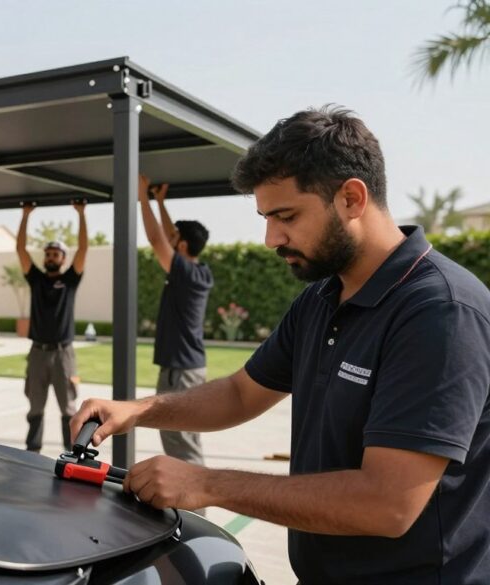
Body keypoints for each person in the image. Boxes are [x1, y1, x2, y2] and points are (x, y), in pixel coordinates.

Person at [71, 106, 490, 584]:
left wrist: (207, 483)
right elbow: (240, 393)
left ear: (351, 198)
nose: (271, 238)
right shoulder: (320, 299)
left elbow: (387, 503)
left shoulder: (441, 312)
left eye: (286, 216)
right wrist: (138, 409)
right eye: (265, 217)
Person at [137, 174, 214, 472]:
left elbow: (158, 238)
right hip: (183, 368)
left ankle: (195, 511)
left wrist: (142, 196)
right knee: (179, 438)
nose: (169, 240)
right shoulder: (198, 271)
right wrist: (159, 201)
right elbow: (169, 234)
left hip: (181, 372)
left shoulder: (186, 274)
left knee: (182, 442)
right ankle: (190, 506)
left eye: (175, 239)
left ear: (181, 245)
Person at [17, 201, 88, 453]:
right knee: (35, 407)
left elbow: (83, 248)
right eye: (47, 254)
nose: (50, 257)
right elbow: (20, 249)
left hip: (63, 354)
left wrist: (81, 214)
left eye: (55, 254)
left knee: (68, 408)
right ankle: (32, 451)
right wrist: (26, 216)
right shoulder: (36, 279)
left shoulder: (70, 280)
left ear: (63, 258)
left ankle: (72, 455)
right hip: (37, 353)